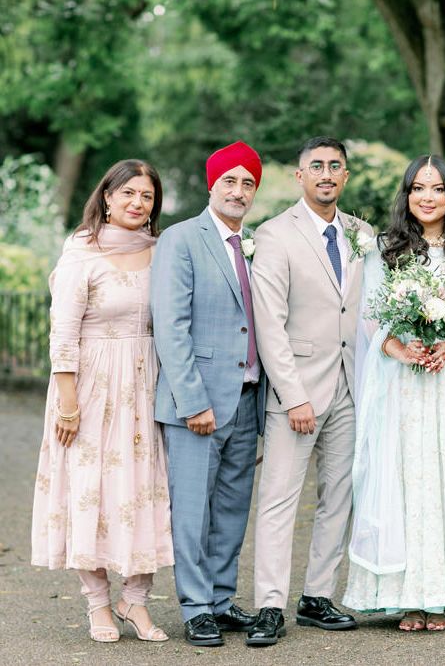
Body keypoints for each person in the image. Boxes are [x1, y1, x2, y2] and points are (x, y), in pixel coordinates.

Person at [342, 155, 445, 632]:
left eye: (437, 188)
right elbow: (371, 317)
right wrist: (401, 349)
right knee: (408, 482)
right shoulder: (384, 249)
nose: (427, 197)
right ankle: (408, 597)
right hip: (405, 383)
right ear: (406, 195)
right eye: (417, 188)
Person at [31, 159, 173, 643]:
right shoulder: (81, 252)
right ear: (107, 197)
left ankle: (135, 601)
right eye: (129, 193)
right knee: (90, 490)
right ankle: (97, 606)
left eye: (147, 196)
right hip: (90, 388)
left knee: (143, 490)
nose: (138, 203)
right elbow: (63, 334)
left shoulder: (161, 251)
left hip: (146, 385)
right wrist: (68, 405)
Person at [247, 136, 372, 647]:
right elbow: (269, 322)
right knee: (279, 497)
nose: (326, 173)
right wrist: (292, 394)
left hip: (351, 385)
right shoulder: (276, 234)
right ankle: (269, 605)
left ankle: (317, 595)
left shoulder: (364, 234)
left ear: (345, 177)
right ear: (300, 176)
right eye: (316, 166)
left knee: (338, 495)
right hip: (296, 389)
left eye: (335, 166)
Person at [151, 141, 266, 647]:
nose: (238, 191)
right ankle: (196, 607)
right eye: (230, 181)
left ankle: (221, 600)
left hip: (247, 398)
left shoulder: (255, 243)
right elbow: (170, 326)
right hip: (197, 403)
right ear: (211, 184)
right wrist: (192, 401)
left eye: (248, 183)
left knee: (232, 508)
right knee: (193, 511)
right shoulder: (181, 239)